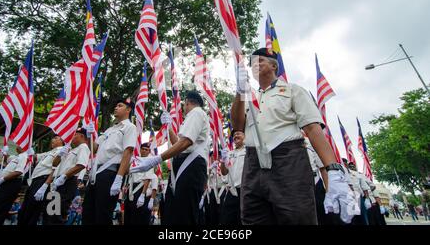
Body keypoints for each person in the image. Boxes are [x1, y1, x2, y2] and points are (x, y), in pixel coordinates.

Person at [231, 48, 354, 225]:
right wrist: (239, 92)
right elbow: (237, 126)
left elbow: (312, 128)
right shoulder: (251, 98)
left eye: (260, 61)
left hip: (288, 162)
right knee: (253, 218)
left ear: (274, 66)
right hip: (253, 165)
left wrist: (332, 168)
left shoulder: (292, 90)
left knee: (297, 217)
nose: (254, 66)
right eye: (251, 64)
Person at [131, 90, 210, 225]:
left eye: (183, 105)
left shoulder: (196, 113)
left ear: (187, 102)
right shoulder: (193, 117)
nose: (183, 108)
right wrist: (168, 127)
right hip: (183, 170)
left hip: (191, 168)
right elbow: (179, 143)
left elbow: (186, 143)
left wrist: (156, 159)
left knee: (185, 217)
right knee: (174, 215)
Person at [82, 99, 136, 225]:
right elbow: (94, 148)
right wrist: (89, 135)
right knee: (88, 212)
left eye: (120, 105)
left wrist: (119, 178)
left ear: (128, 110)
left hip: (110, 173)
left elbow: (128, 152)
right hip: (96, 173)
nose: (116, 107)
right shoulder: (109, 130)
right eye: (116, 105)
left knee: (103, 214)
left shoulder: (129, 127)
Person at [46, 128, 90, 225]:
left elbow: (81, 165)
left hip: (67, 181)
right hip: (57, 181)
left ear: (81, 136)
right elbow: (54, 164)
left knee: (59, 213)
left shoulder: (83, 147)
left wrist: (64, 177)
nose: (72, 137)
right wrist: (60, 154)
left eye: (75, 135)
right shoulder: (71, 149)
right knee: (51, 212)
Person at [18, 136, 64, 225]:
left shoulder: (62, 151)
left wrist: (45, 185)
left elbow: (55, 169)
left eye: (56, 138)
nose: (52, 139)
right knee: (25, 208)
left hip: (43, 181)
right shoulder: (50, 152)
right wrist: (28, 148)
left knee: (32, 210)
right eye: (53, 138)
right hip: (35, 181)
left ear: (62, 141)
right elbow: (35, 157)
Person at [0, 146, 28, 225]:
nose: (17, 146)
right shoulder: (16, 157)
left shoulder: (24, 156)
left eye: (19, 144)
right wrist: (4, 152)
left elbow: (19, 171)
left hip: (11, 182)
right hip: (5, 183)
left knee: (1, 208)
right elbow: (6, 159)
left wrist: (3, 179)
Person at [124, 142, 157, 225]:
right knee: (129, 215)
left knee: (139, 216)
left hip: (141, 188)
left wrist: (142, 195)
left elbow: (148, 179)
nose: (145, 151)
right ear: (140, 149)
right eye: (143, 149)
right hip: (131, 188)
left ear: (149, 152)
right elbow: (127, 172)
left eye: (147, 150)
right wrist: (129, 162)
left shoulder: (150, 161)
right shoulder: (135, 160)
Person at [219, 131, 245, 225]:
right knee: (227, 219)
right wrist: (223, 160)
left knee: (243, 219)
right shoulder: (229, 153)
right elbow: (224, 172)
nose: (236, 136)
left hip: (245, 191)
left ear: (245, 136)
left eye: (239, 134)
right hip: (232, 191)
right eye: (234, 135)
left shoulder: (249, 151)